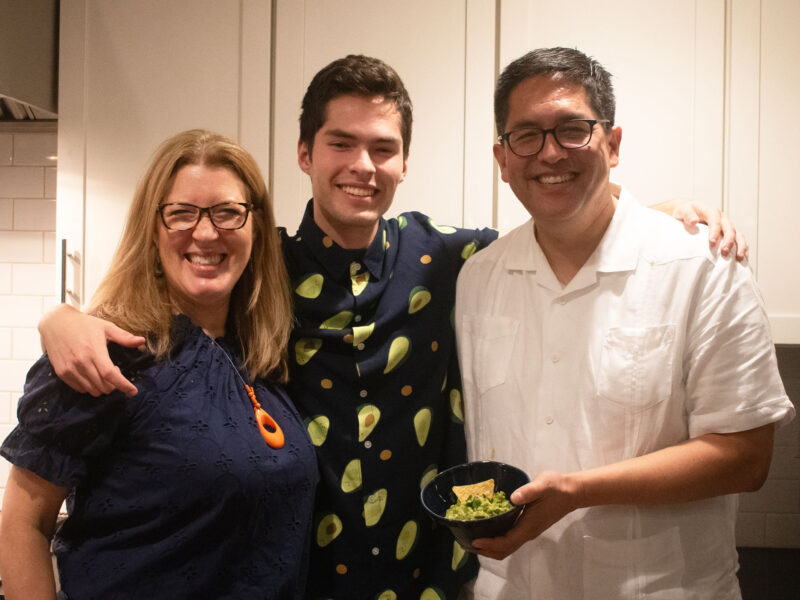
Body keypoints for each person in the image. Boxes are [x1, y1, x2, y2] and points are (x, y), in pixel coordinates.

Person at [35, 56, 746, 600]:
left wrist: (656, 213)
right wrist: (63, 317)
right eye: (341, 144)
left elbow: (562, 221)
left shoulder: (456, 260)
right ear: (306, 154)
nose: (363, 166)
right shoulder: (261, 266)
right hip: (297, 580)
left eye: (382, 147)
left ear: (405, 162)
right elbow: (172, 281)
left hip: (430, 579)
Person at [455, 47, 795, 599]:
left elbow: (745, 458)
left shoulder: (702, 266)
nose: (550, 152)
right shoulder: (477, 276)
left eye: (572, 130)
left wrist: (577, 491)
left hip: (665, 589)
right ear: (503, 158)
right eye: (527, 135)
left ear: (612, 145)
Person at [0, 129, 318, 600]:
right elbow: (23, 523)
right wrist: (59, 317)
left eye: (228, 212)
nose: (206, 233)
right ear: (152, 228)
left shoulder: (263, 356)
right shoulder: (108, 355)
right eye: (181, 213)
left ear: (255, 227)